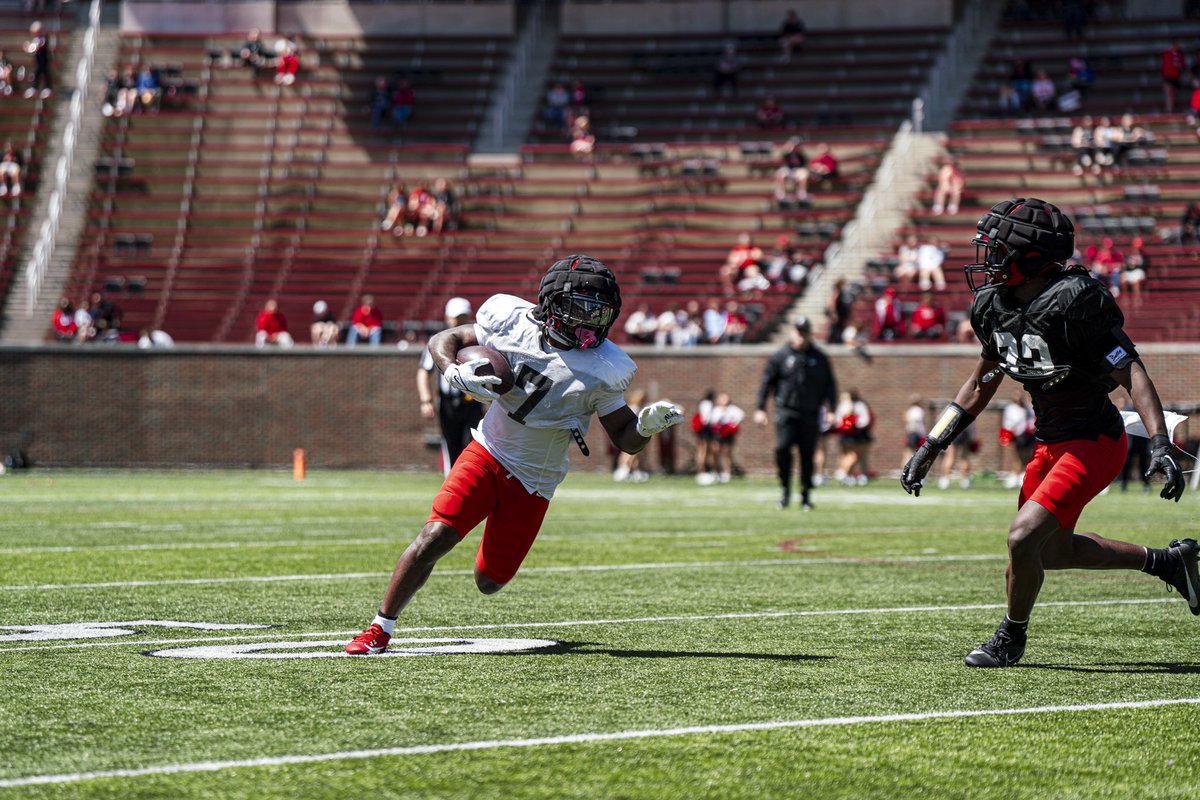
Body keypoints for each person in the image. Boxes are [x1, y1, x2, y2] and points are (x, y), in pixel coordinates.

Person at [901, 197, 1191, 669]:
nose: (988, 261)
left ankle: (1010, 638)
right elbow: (980, 382)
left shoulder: (1074, 300)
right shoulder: (993, 306)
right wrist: (932, 444)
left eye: (998, 251)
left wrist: (1160, 442)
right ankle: (1165, 562)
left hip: (1095, 440)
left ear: (1031, 257)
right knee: (1048, 551)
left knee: (1021, 538)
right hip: (1049, 443)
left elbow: (1130, 373)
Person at [345, 255, 685, 655]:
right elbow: (443, 341)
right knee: (434, 535)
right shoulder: (508, 318)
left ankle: (485, 547)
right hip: (489, 452)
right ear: (554, 304)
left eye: (600, 312)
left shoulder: (606, 367)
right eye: (582, 308)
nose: (591, 321)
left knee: (490, 581)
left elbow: (625, 439)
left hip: (535, 481)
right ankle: (379, 628)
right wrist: (452, 370)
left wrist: (644, 428)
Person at [754, 316, 837, 510]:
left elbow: (830, 386)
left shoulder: (819, 358)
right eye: (798, 332)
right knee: (783, 450)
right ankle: (785, 490)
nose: (801, 336)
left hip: (810, 413)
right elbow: (767, 383)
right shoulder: (780, 356)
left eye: (805, 332)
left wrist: (832, 409)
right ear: (793, 333)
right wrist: (760, 408)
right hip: (786, 412)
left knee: (807, 454)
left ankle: (806, 495)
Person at [417, 297, 487, 475]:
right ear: (448, 317)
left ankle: (472, 485)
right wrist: (426, 400)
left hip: (472, 402)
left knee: (473, 446)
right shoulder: (437, 342)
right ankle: (451, 485)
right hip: (448, 403)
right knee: (451, 446)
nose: (459, 321)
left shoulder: (476, 342)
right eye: (456, 317)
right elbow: (423, 371)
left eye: (463, 317)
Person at [833, 389, 873, 485]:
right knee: (854, 455)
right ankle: (843, 472)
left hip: (846, 433)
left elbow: (837, 421)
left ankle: (847, 475)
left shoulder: (843, 405)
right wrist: (853, 425)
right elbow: (864, 421)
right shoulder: (858, 406)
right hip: (855, 434)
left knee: (848, 455)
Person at [999, 389, 1036, 489]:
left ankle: (1022, 476)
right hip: (1014, 435)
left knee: (1026, 457)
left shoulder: (1027, 408)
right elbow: (1007, 422)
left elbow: (1032, 420)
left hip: (1026, 435)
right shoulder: (1010, 408)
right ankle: (1015, 475)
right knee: (1015, 456)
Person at [23, 21, 51, 99]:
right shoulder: (36, 39)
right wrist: (27, 48)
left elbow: (37, 48)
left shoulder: (43, 38)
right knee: (38, 73)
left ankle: (47, 88)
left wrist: (29, 48)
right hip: (38, 60)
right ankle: (36, 88)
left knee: (44, 73)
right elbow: (33, 50)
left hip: (43, 60)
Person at [1162, 40, 1187, 114]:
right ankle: (1169, 110)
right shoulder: (1167, 53)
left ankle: (1175, 110)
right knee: (1169, 93)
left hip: (1176, 78)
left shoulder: (1180, 55)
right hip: (1167, 77)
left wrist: (1179, 66)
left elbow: (1183, 66)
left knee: (1176, 95)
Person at [902, 394, 926, 467]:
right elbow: (916, 420)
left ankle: (904, 470)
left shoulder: (910, 410)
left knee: (907, 453)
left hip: (910, 433)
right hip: (916, 434)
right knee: (913, 453)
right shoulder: (918, 410)